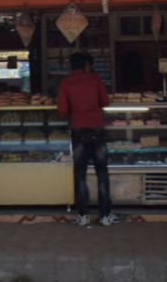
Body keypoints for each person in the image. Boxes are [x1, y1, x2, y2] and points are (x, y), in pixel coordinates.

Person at [58, 52, 118, 227]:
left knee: (80, 174)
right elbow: (105, 102)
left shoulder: (65, 83)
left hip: (78, 130)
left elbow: (62, 110)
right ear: (85, 64)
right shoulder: (95, 79)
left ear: (70, 66)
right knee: (102, 172)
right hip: (96, 129)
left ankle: (83, 215)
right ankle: (106, 215)